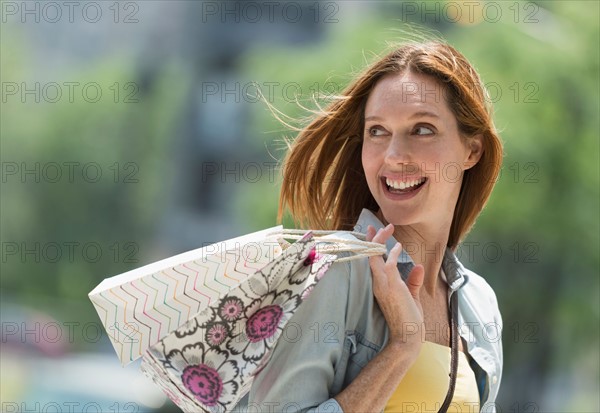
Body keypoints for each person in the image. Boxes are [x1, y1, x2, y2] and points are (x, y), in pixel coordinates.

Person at [237, 40, 503, 412]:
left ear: (471, 151)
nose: (394, 156)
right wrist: (402, 349)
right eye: (377, 131)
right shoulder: (331, 273)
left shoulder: (479, 303)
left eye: (422, 129)